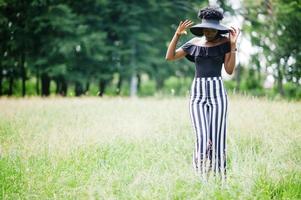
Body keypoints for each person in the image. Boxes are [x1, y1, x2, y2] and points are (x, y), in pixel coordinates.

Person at [165, 6, 240, 183]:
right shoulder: (193, 44)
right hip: (197, 95)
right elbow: (170, 57)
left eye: (211, 29)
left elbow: (229, 70)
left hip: (218, 94)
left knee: (218, 137)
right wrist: (177, 35)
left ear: (218, 29)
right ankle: (201, 179)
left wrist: (234, 46)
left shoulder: (225, 43)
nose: (208, 31)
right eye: (205, 28)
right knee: (202, 137)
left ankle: (221, 178)